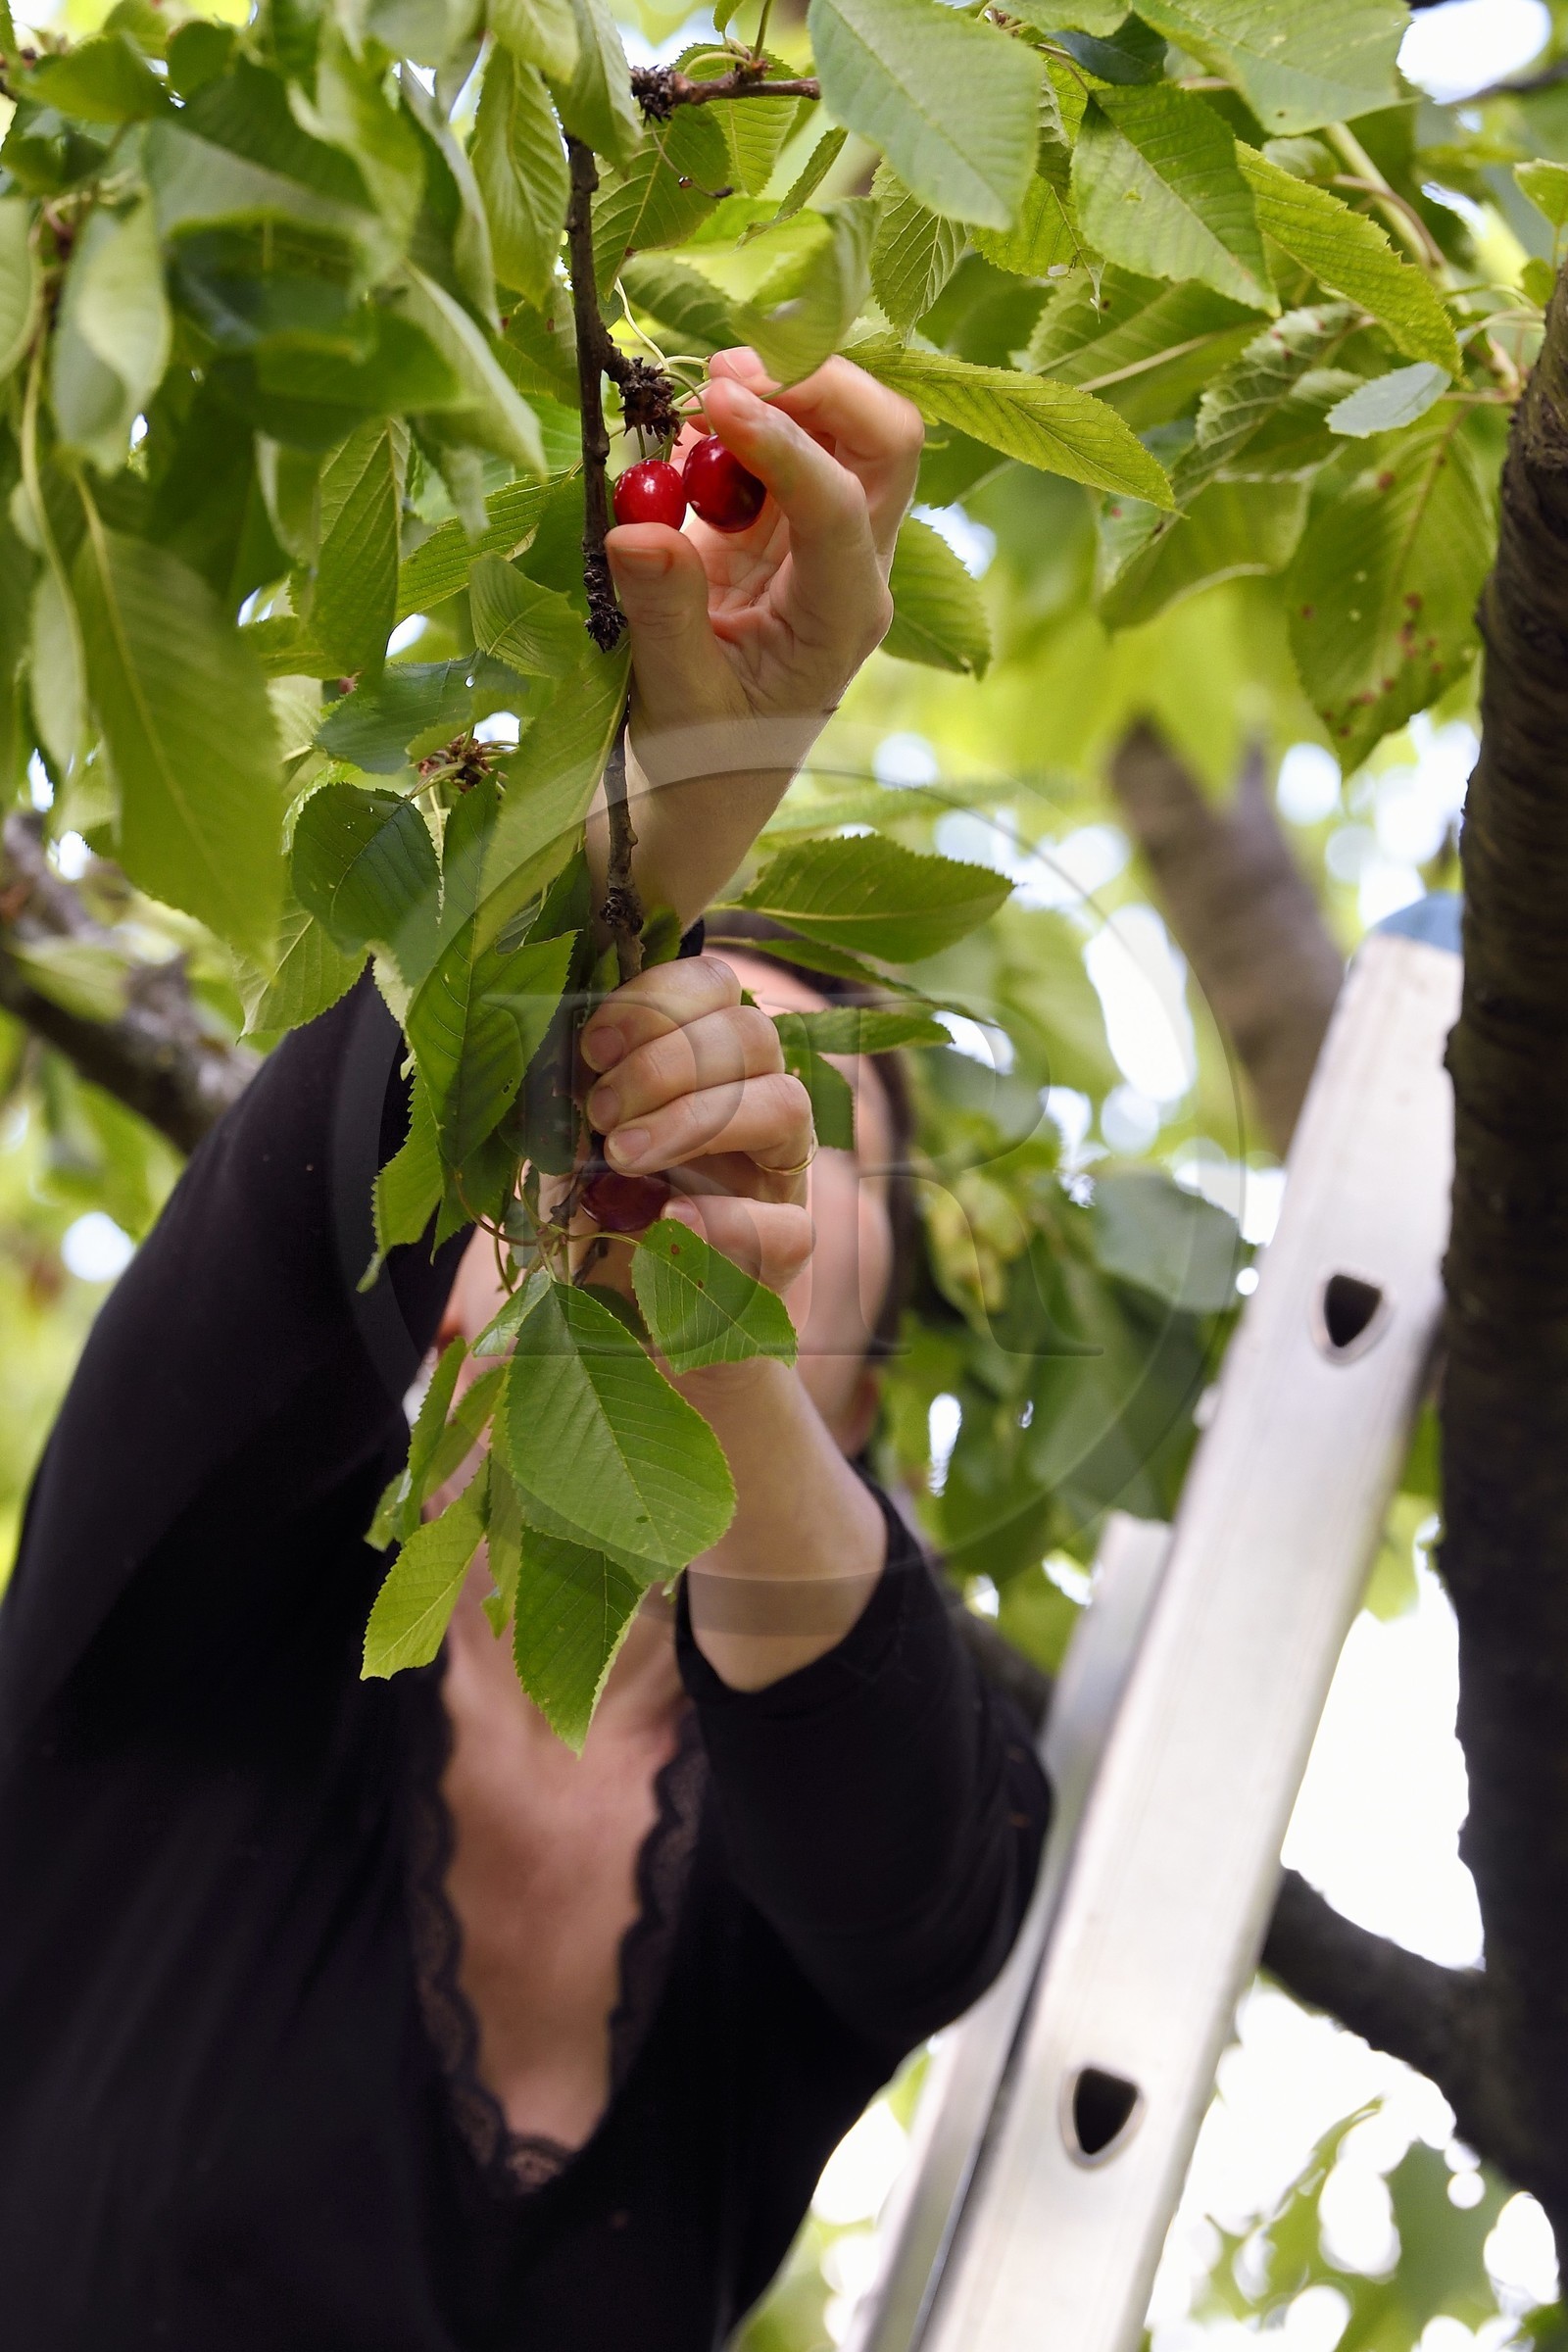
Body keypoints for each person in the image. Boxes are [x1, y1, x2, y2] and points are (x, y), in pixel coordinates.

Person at [0, 352, 1051, 2350]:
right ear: (447, 1285)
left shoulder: (852, 1855)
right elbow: (274, 1242)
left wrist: (710, 1342)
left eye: (803, 1117)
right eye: (599, 1080)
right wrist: (659, 826)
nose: (675, 1112)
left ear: (865, 1390)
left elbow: (908, 1858)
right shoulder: (209, 1617)